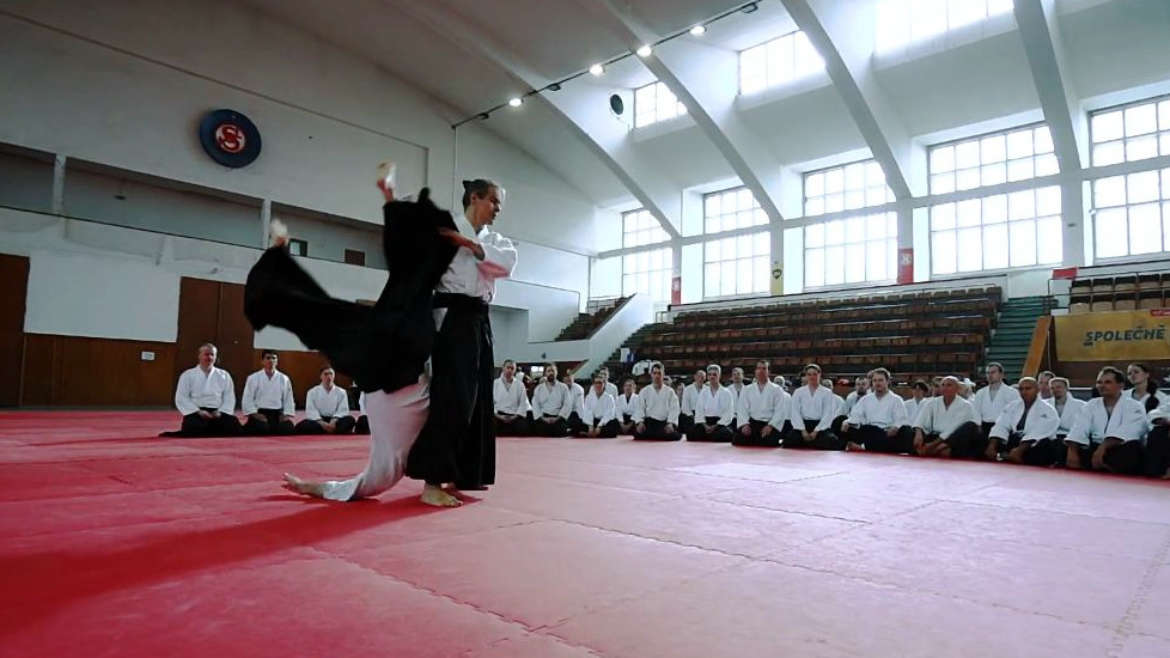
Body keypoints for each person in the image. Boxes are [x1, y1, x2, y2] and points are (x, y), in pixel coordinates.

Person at [247, 166, 460, 502]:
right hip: (395, 361)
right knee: (341, 313)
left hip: (392, 360)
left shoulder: (389, 465)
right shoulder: (391, 465)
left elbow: (363, 486)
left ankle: (392, 201)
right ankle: (393, 202)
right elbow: (365, 486)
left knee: (341, 313)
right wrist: (311, 488)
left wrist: (310, 487)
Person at [405, 178, 517, 506]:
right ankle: (431, 481)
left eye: (499, 205)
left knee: (479, 398)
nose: (497, 209)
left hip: (480, 318)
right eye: (493, 201)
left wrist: (469, 245)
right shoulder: (442, 228)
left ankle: (466, 472)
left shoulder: (494, 240)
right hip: (450, 319)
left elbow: (507, 265)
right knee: (454, 397)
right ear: (474, 197)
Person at [1063, 366, 1148, 474]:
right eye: (1099, 382)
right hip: (1095, 447)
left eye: (1108, 382)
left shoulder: (1134, 406)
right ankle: (1100, 465)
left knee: (1131, 449)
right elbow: (1079, 428)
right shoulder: (1091, 405)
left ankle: (1103, 465)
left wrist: (1103, 448)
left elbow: (1130, 430)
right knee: (1063, 447)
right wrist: (1073, 451)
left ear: (1120, 385)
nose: (1102, 386)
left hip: (1118, 447)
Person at [163, 342, 241, 437]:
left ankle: (210, 430)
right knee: (193, 426)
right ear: (199, 356)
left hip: (218, 412)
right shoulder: (188, 375)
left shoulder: (224, 375)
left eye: (212, 354)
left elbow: (229, 397)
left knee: (233, 425)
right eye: (206, 354)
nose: (209, 357)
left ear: (215, 357)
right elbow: (181, 397)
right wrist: (197, 411)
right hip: (197, 412)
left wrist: (221, 412)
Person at [842, 368, 912, 453]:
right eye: (875, 380)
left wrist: (896, 427)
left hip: (888, 433)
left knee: (906, 430)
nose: (877, 383)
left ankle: (864, 447)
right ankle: (873, 447)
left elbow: (902, 419)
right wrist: (847, 422)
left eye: (880, 380)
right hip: (869, 431)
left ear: (887, 381)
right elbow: (856, 415)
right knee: (841, 422)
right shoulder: (866, 399)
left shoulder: (896, 399)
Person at [994, 377, 1061, 466]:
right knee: (998, 439)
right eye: (1021, 389)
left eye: (1028, 389)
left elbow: (1039, 432)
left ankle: (1011, 456)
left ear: (1037, 390)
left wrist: (1020, 450)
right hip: (1017, 440)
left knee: (1045, 445)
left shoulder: (1048, 409)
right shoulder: (1013, 406)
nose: (1024, 392)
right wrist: (992, 445)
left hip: (1035, 444)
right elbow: (1001, 424)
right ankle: (1009, 455)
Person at [912, 376, 981, 458]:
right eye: (943, 385)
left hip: (953, 439)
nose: (945, 387)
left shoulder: (965, 405)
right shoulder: (933, 403)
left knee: (970, 426)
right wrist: (918, 433)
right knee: (910, 433)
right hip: (935, 436)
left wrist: (932, 445)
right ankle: (939, 450)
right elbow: (921, 419)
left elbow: (953, 428)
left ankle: (941, 449)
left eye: (949, 385)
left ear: (957, 388)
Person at [786, 364, 843, 449]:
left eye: (815, 374)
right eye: (809, 374)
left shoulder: (827, 392)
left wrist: (816, 431)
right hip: (803, 425)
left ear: (819, 375)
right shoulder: (798, 392)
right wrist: (803, 431)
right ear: (806, 376)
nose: (812, 377)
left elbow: (828, 414)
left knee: (832, 441)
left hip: (820, 426)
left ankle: (810, 443)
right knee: (790, 440)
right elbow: (795, 412)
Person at [733, 360, 790, 447]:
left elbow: (780, 411)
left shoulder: (777, 389)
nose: (761, 371)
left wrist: (770, 426)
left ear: (769, 372)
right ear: (755, 371)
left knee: (769, 442)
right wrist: (744, 424)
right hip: (752, 423)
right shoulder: (747, 389)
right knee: (738, 439)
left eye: (764, 368)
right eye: (759, 368)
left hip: (769, 423)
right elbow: (742, 409)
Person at [241, 350, 296, 435]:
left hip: (277, 414)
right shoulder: (253, 378)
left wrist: (286, 415)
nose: (271, 360)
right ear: (262, 361)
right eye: (268, 358)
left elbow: (288, 398)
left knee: (287, 428)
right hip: (259, 413)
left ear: (277, 361)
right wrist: (255, 414)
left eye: (274, 358)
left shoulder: (284, 379)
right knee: (262, 428)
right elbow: (247, 398)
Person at [971, 363, 1020, 452]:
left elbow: (1014, 413)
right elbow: (976, 412)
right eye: (987, 373)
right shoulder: (980, 393)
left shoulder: (1012, 393)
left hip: (1003, 427)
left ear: (1001, 374)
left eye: (993, 372)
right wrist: (978, 427)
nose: (990, 375)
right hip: (984, 426)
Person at [295, 366, 356, 435]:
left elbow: (343, 410)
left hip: (336, 421)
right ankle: (332, 430)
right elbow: (311, 410)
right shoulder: (312, 392)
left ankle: (328, 430)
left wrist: (334, 421)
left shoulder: (341, 392)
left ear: (334, 376)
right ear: (321, 376)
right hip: (319, 421)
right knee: (303, 425)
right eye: (326, 374)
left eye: (331, 374)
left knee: (350, 420)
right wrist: (322, 423)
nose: (328, 376)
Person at [633, 362, 682, 441]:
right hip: (649, 422)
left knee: (675, 435)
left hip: (664, 423)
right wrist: (640, 422)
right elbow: (639, 408)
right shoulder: (644, 391)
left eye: (659, 373)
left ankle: (654, 435)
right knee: (637, 433)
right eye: (654, 373)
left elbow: (674, 409)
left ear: (663, 375)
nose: (657, 376)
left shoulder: (670, 392)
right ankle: (655, 435)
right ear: (651, 374)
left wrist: (671, 423)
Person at [688, 364, 735, 442]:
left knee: (726, 434)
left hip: (719, 423)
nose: (712, 377)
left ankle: (709, 436)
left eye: (714, 374)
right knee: (691, 434)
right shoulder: (703, 392)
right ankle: (710, 435)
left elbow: (728, 413)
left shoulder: (726, 392)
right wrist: (705, 425)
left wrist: (715, 426)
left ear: (719, 376)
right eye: (709, 375)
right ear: (707, 377)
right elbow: (699, 410)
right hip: (705, 422)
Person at [531, 364, 571, 437]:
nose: (551, 373)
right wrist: (543, 418)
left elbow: (567, 405)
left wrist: (557, 418)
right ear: (545, 373)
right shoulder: (539, 388)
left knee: (560, 431)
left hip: (558, 418)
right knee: (540, 431)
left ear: (556, 372)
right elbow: (535, 405)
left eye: (553, 370)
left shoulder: (563, 387)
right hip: (543, 418)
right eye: (549, 371)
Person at [493, 359, 531, 436]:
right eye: (508, 367)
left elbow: (523, 404)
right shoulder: (495, 383)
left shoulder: (520, 385)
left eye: (512, 368)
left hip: (515, 415)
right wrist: (499, 416)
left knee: (523, 427)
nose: (509, 370)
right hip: (499, 415)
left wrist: (514, 417)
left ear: (515, 370)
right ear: (503, 368)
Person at [679, 369, 705, 435]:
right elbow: (685, 406)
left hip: (704, 414)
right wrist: (692, 416)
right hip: (691, 415)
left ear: (705, 378)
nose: (700, 379)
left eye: (702, 377)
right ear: (695, 377)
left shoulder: (707, 389)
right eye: (699, 376)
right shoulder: (688, 389)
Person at [563, 370, 587, 435]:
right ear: (563, 380)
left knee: (576, 422)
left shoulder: (579, 389)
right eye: (566, 378)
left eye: (570, 378)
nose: (568, 380)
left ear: (573, 378)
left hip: (574, 414)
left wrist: (582, 420)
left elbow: (580, 407)